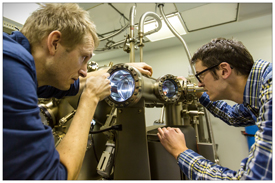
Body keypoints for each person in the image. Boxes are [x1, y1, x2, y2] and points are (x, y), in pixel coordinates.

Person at [3, 3, 153, 180]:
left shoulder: (17, 59)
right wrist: (90, 98)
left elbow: (78, 82)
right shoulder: (10, 72)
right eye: (83, 57)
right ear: (54, 43)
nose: (84, 70)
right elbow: (54, 176)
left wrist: (122, 68)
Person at [157, 38, 272, 180]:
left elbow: (250, 179)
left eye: (201, 76)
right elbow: (233, 116)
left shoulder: (271, 96)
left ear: (224, 70)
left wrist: (180, 151)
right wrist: (200, 94)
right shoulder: (259, 94)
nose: (199, 83)